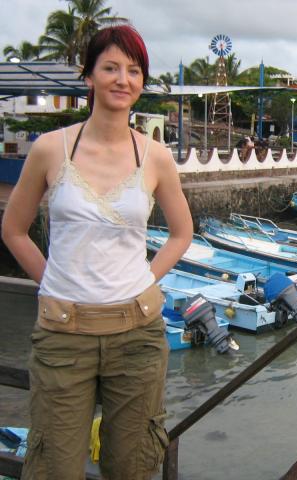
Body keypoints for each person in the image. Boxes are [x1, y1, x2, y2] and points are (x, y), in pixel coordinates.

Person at [1, 24, 193, 479]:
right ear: (89, 76)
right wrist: (50, 280)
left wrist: (147, 278)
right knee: (54, 467)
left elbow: (182, 233)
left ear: (142, 82)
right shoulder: (52, 149)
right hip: (63, 336)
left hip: (138, 334)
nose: (122, 79)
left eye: (133, 70)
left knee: (131, 467)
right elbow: (14, 230)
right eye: (110, 67)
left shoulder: (155, 156)